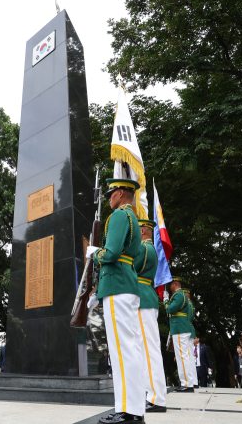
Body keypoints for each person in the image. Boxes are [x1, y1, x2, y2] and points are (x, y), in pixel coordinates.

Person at [86, 178, 145, 424]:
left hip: (118, 287)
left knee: (122, 352)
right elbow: (136, 259)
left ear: (121, 193)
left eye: (111, 193)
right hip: (124, 285)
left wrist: (93, 252)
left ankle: (129, 412)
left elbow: (110, 255)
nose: (109, 197)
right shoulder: (133, 219)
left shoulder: (120, 216)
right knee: (127, 350)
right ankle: (129, 409)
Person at [134, 219, 166, 413]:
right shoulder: (147, 248)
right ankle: (151, 394)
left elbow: (128, 265)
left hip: (143, 299)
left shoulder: (145, 248)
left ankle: (157, 398)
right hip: (143, 299)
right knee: (144, 351)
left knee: (149, 351)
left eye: (136, 230)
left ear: (144, 230)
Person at [164, 277, 194, 392]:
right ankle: (186, 383)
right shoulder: (180, 295)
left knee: (182, 356)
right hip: (180, 328)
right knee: (183, 356)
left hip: (180, 328)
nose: (169, 286)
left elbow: (171, 309)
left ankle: (187, 384)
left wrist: (166, 300)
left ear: (175, 284)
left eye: (171, 284)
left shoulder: (178, 295)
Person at [183, 289, 198, 389]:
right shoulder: (191, 304)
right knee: (190, 356)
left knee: (187, 356)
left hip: (186, 328)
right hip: (190, 328)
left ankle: (191, 381)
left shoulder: (187, 304)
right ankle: (194, 380)